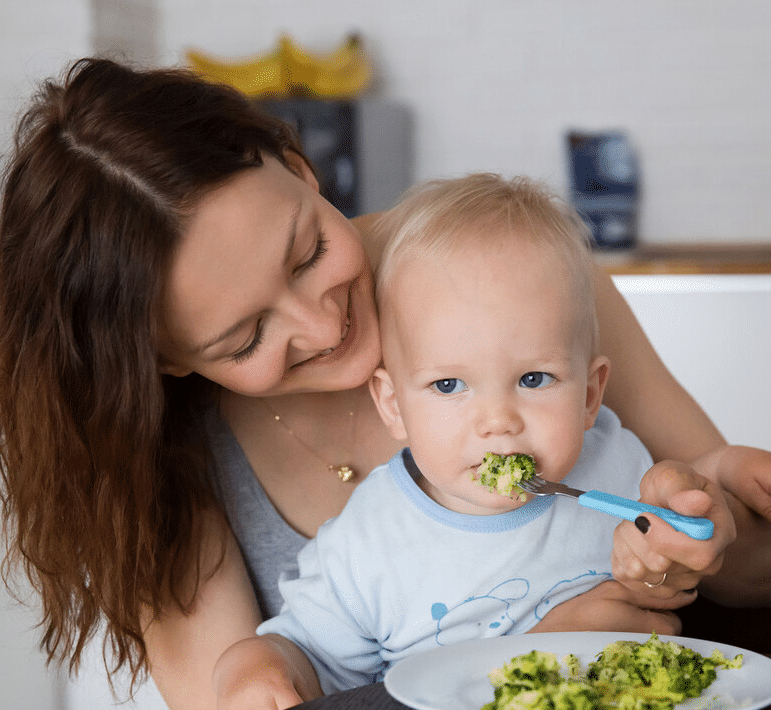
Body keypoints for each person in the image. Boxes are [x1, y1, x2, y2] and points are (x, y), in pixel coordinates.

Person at [0, 57, 771, 710]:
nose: (320, 326)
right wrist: (517, 668)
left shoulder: (507, 277)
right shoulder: (157, 453)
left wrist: (697, 535)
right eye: (246, 337)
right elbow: (247, 685)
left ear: (299, 167)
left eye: (307, 252)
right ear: (166, 361)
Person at [215, 173, 733, 701]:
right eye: (448, 385)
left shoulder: (620, 471)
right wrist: (260, 665)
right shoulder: (367, 545)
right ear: (393, 405)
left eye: (534, 379)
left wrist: (679, 536)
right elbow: (307, 656)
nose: (498, 420)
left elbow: (682, 577)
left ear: (589, 394)